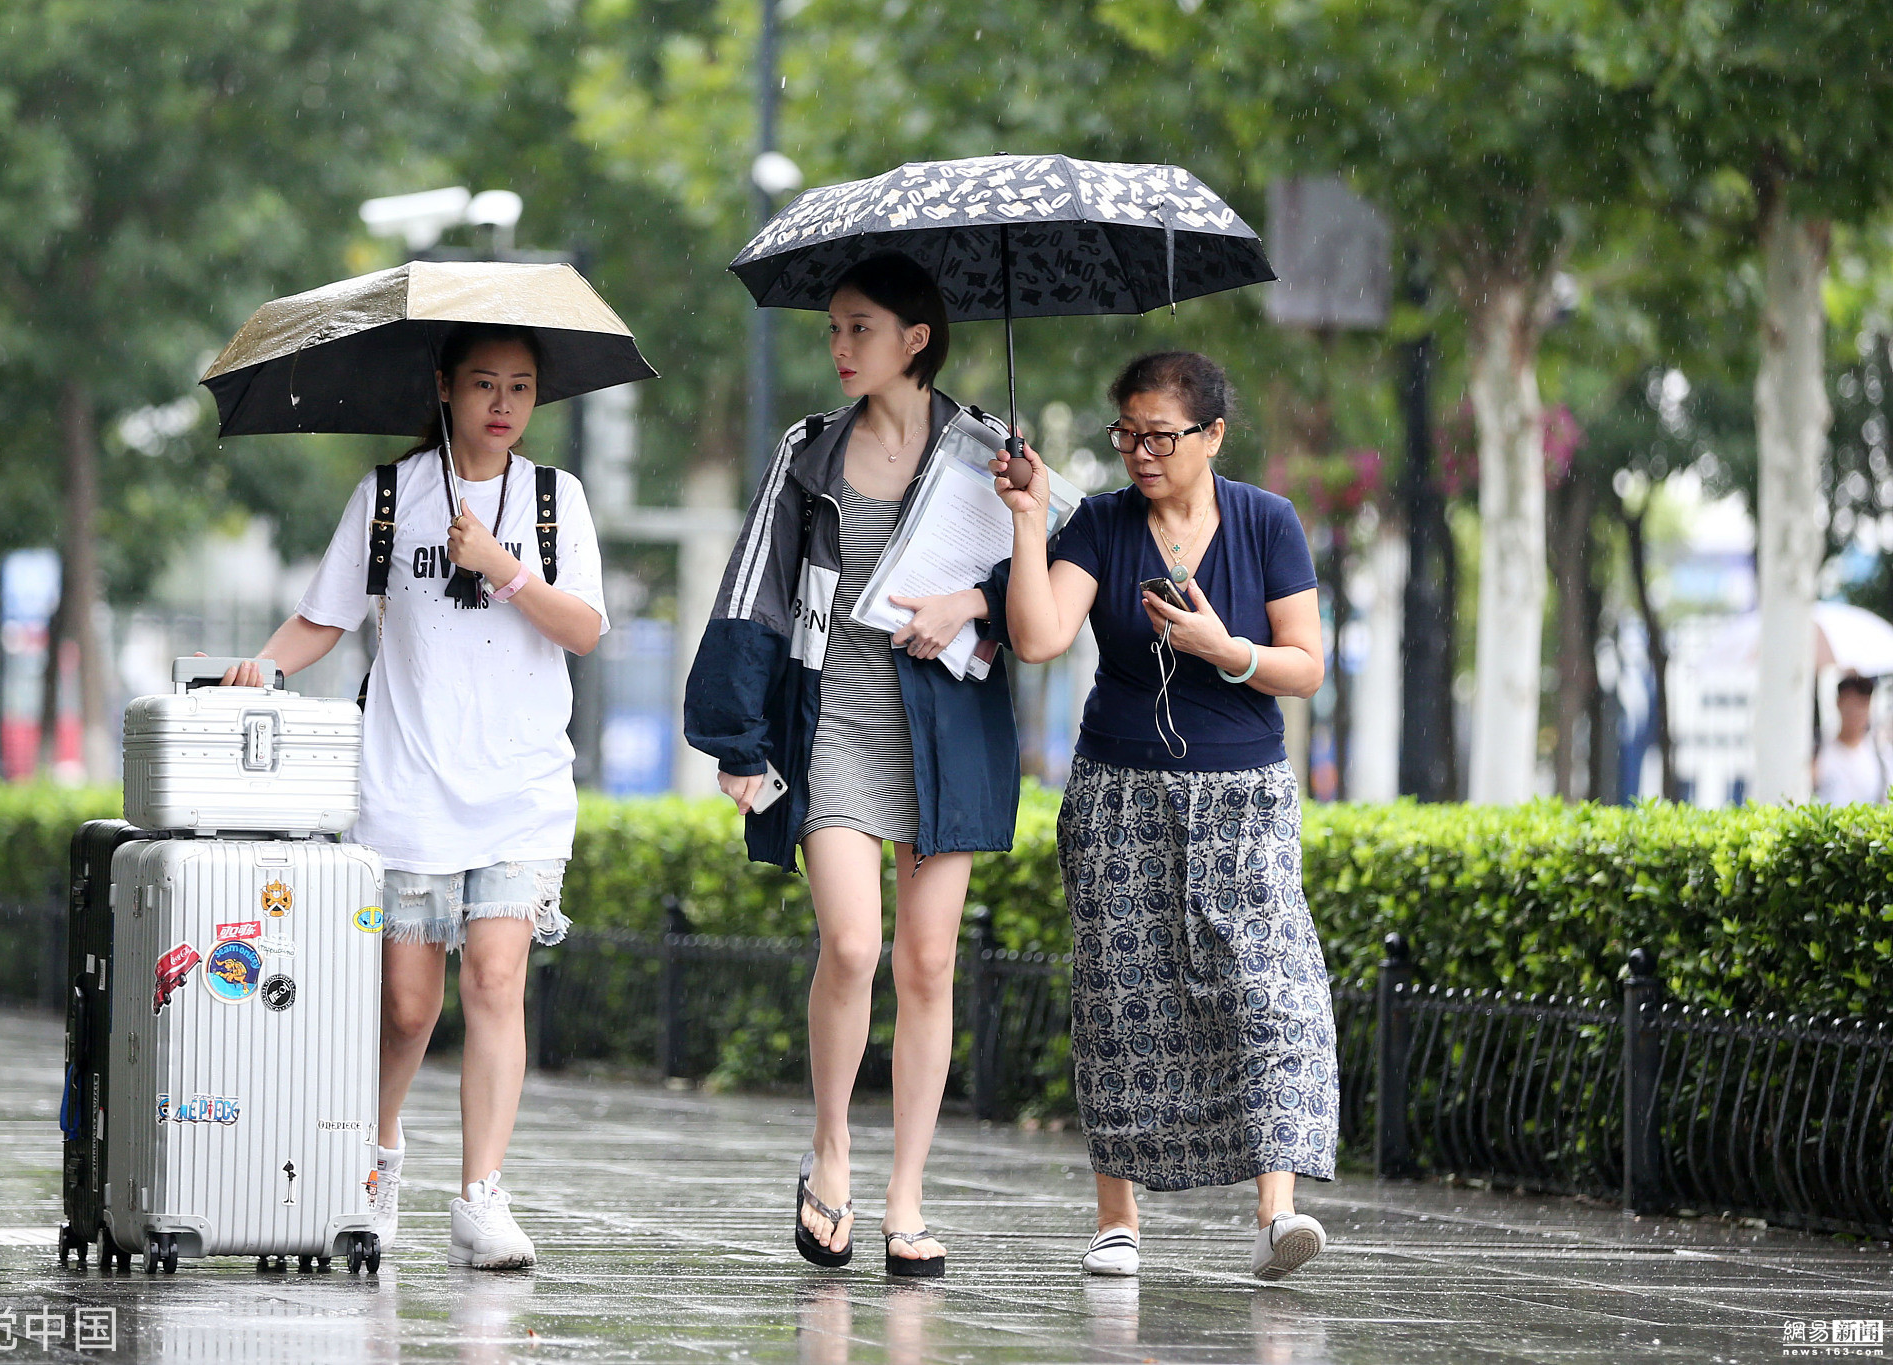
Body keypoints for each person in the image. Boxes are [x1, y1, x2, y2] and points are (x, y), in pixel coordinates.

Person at [220, 322, 607, 1270]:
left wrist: (504, 568)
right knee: (404, 1004)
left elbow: (586, 628)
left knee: (496, 981)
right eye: (484, 383)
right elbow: (325, 614)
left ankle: (481, 1195)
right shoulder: (390, 496)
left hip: (520, 785)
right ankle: (375, 1159)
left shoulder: (558, 500)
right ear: (444, 386)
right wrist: (264, 666)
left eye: (520, 385)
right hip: (407, 784)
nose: (504, 403)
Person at [684, 253, 1020, 1277]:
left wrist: (980, 597)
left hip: (947, 726)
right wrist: (735, 739)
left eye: (858, 329)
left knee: (927, 965)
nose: (837, 349)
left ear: (915, 340)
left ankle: (905, 1193)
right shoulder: (808, 453)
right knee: (854, 944)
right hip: (832, 716)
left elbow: (1053, 596)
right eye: (832, 329)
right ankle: (829, 1148)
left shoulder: (987, 457)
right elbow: (754, 588)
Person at [984, 351, 1338, 1281]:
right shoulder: (1100, 523)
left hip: (1243, 792)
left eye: (1161, 436)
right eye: (1128, 435)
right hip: (1118, 790)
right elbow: (1039, 637)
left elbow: (1306, 664)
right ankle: (1118, 1219)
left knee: (1272, 989)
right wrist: (1030, 522)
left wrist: (1229, 648)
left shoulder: (1267, 521)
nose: (1142, 452)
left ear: (1212, 435)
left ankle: (1276, 1212)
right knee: (1122, 994)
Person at [1814, 674, 1889, 804]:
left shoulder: (1880, 754)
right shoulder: (1820, 751)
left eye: (1862, 704)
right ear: (1839, 703)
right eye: (1851, 704)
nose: (1856, 713)